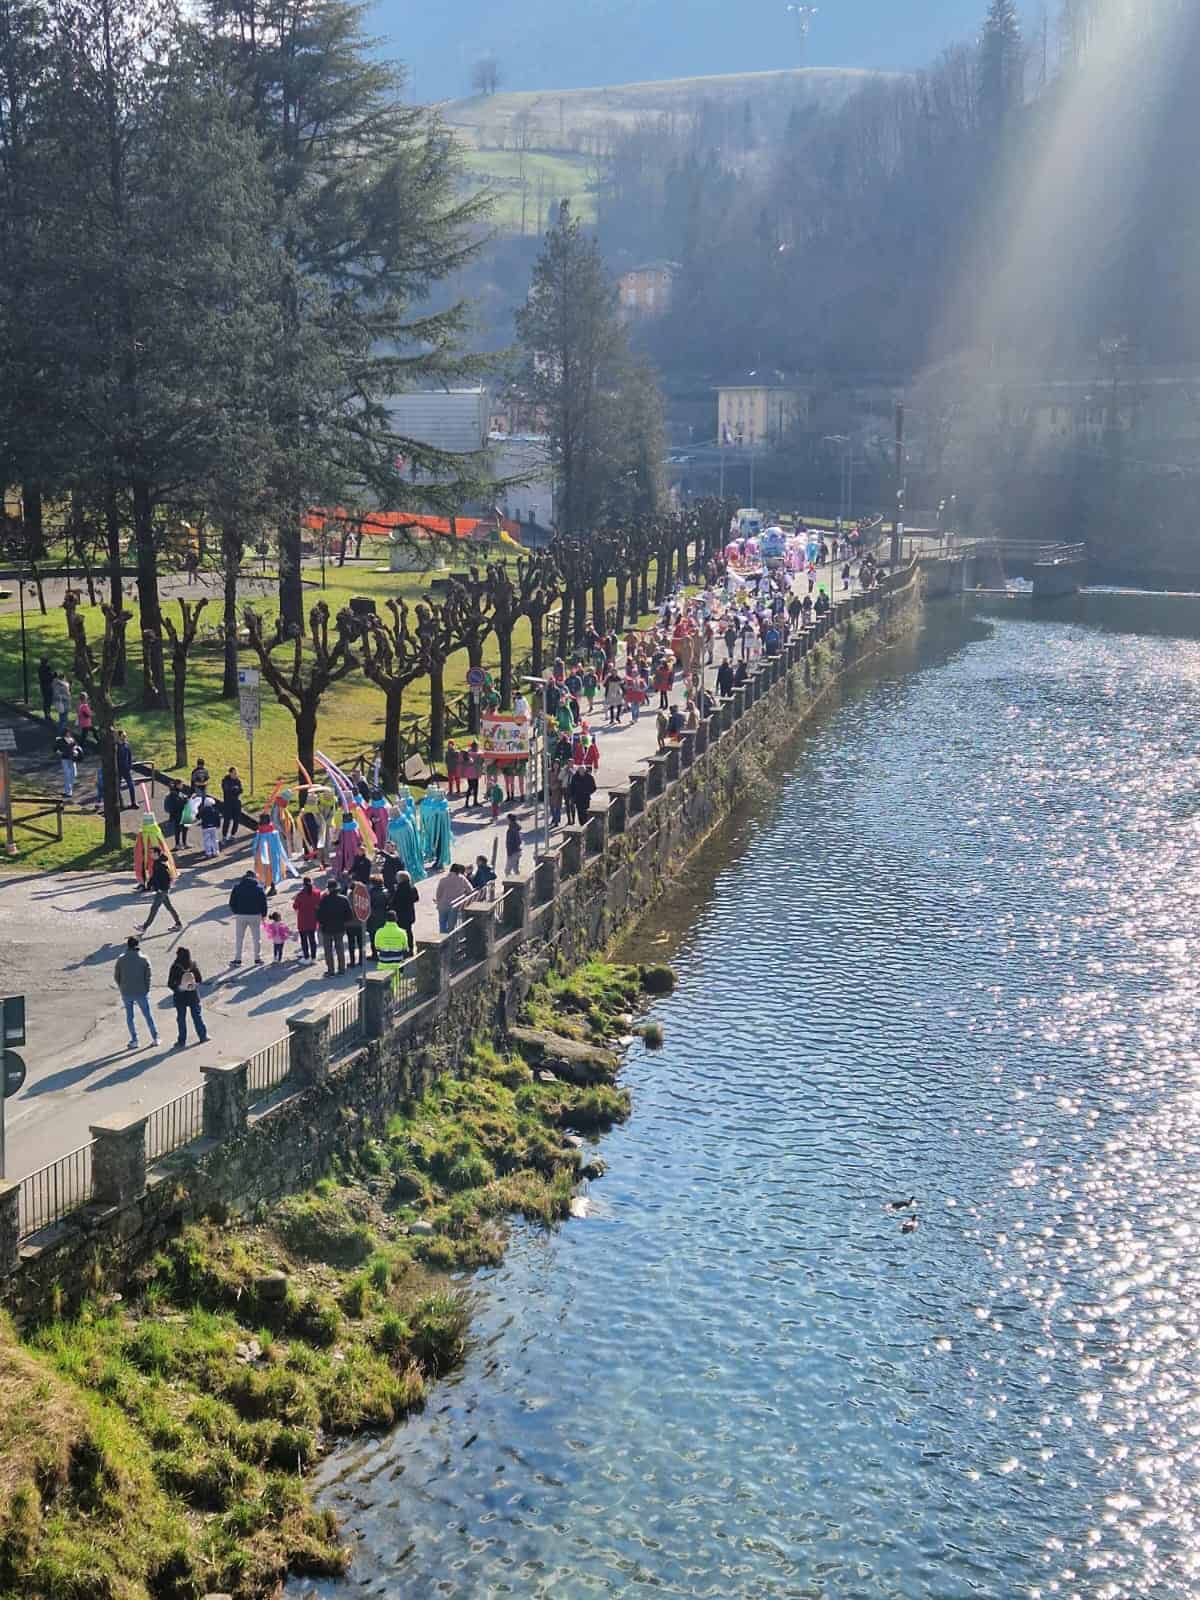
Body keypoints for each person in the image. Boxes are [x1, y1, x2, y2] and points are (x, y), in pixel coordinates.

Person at [114, 936, 158, 1049]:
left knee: (130, 1017)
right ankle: (155, 1038)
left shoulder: (121, 959)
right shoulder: (144, 959)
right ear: (137, 945)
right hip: (141, 991)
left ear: (127, 945)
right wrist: (146, 988)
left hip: (126, 992)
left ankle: (134, 1040)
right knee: (148, 1015)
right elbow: (148, 976)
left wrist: (122, 987)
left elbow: (117, 976)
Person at [167, 947, 208, 1047]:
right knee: (197, 1017)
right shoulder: (193, 965)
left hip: (180, 997)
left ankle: (182, 1041)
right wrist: (192, 986)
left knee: (181, 1019)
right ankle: (203, 1036)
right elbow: (199, 979)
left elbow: (170, 983)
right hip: (193, 995)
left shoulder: (175, 967)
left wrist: (179, 988)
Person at [229, 869, 268, 964]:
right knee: (256, 938)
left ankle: (238, 959)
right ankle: (257, 959)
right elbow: (264, 903)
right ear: (254, 877)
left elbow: (231, 903)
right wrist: (263, 915)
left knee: (239, 938)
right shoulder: (259, 888)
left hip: (241, 915)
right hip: (255, 915)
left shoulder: (237, 887)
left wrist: (236, 911)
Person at [140, 847, 183, 932]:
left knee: (154, 908)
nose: (150, 854)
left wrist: (160, 889)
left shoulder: (161, 864)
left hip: (162, 890)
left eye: (151, 852)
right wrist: (149, 884)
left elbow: (166, 878)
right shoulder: (157, 862)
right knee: (169, 907)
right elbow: (155, 876)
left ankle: (144, 927)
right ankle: (178, 924)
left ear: (157, 854)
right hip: (162, 890)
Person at [316, 876, 351, 976]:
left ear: (328, 888)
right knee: (340, 949)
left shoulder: (324, 900)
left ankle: (331, 971)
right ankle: (341, 970)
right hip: (340, 928)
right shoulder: (344, 899)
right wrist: (343, 922)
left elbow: (319, 915)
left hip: (327, 929)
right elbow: (349, 915)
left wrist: (322, 924)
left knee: (328, 951)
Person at [436, 862, 471, 933]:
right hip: (455, 905)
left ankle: (443, 941)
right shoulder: (462, 879)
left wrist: (438, 901)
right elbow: (470, 890)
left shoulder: (443, 880)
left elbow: (438, 894)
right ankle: (450, 942)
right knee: (451, 927)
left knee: (442, 925)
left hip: (443, 905)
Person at [390, 869, 419, 952]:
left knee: (401, 932)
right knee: (409, 931)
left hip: (401, 914)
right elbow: (416, 898)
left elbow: (394, 902)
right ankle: (411, 948)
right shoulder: (412, 887)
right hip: (410, 913)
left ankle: (403, 948)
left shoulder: (399, 889)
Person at [293, 876, 321, 961]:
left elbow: (295, 906)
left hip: (302, 920)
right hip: (313, 919)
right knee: (312, 939)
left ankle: (306, 957)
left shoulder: (300, 895)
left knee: (304, 940)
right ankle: (313, 957)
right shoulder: (317, 893)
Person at [366, 873, 390, 958]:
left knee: (373, 936)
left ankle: (375, 954)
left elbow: (368, 905)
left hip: (373, 917)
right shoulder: (386, 891)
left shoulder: (370, 893)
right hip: (384, 916)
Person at [55, 728, 81, 798]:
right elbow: (55, 748)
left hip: (72, 759)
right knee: (67, 775)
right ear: (65, 733)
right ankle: (68, 793)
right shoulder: (60, 740)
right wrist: (60, 753)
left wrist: (76, 750)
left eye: (69, 732)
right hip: (65, 759)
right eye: (67, 732)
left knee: (74, 774)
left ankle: (69, 790)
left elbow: (77, 746)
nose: (69, 733)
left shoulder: (72, 739)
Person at [220, 766, 243, 841]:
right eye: (234, 773)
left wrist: (235, 790)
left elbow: (241, 790)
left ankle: (232, 835)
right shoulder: (225, 780)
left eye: (236, 773)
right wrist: (235, 790)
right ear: (230, 773)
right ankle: (224, 836)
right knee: (227, 820)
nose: (236, 774)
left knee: (237, 820)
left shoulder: (238, 781)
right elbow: (227, 790)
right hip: (228, 803)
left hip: (236, 803)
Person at [116, 729, 137, 809]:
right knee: (117, 787)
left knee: (131, 785)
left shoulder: (127, 745)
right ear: (119, 736)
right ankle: (121, 804)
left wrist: (130, 766)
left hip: (126, 769)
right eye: (123, 736)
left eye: (125, 736)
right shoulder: (116, 746)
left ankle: (133, 802)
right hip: (118, 769)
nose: (125, 737)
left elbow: (129, 756)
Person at [197, 792, 222, 858]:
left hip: (205, 827)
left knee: (207, 840)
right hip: (213, 827)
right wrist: (218, 825)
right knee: (215, 839)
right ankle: (216, 852)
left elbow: (198, 816)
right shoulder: (215, 810)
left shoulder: (203, 811)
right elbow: (218, 818)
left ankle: (208, 853)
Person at [462, 742, 480, 807]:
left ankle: (475, 802)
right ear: (474, 747)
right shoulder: (468, 754)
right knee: (471, 788)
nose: (477, 747)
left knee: (476, 788)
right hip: (471, 775)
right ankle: (466, 803)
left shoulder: (475, 752)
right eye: (476, 746)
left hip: (475, 774)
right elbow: (467, 761)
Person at [37, 656, 54, 723]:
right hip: (46, 687)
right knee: (47, 701)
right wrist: (52, 676)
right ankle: (47, 715)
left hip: (47, 686)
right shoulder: (43, 669)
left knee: (48, 701)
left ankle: (48, 715)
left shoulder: (45, 668)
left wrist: (52, 676)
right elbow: (45, 678)